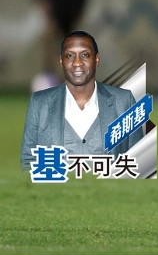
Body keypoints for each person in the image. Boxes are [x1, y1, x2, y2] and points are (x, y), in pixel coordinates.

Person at [21, 30, 144, 171]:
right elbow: (28, 160)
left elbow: (138, 159)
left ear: (97, 59)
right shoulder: (39, 103)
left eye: (85, 55)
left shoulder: (124, 101)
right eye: (69, 55)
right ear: (61, 61)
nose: (77, 63)